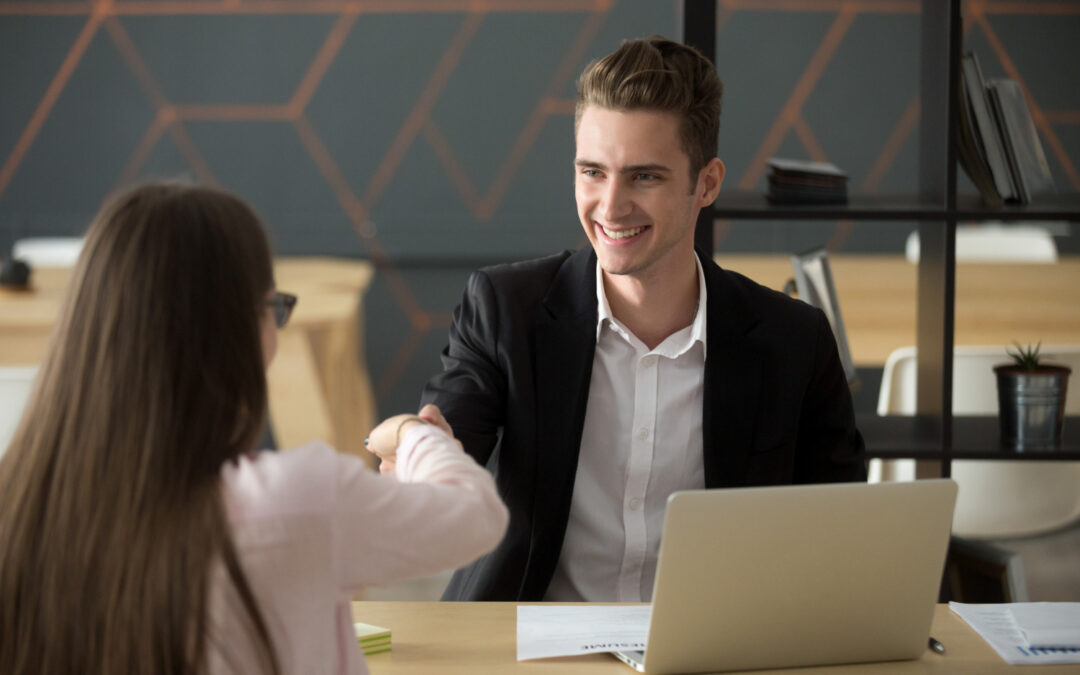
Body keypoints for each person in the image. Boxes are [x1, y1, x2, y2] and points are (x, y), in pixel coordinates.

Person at [410, 36, 867, 603]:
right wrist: (418, 445)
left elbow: (840, 538)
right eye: (592, 172)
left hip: (714, 650)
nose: (610, 205)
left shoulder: (794, 342)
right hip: (536, 648)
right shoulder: (506, 309)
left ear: (707, 183)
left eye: (644, 177)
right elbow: (444, 448)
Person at [0, 182, 507, 675]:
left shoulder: (21, 506)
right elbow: (476, 514)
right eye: (275, 307)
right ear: (240, 330)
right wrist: (416, 434)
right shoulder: (301, 497)